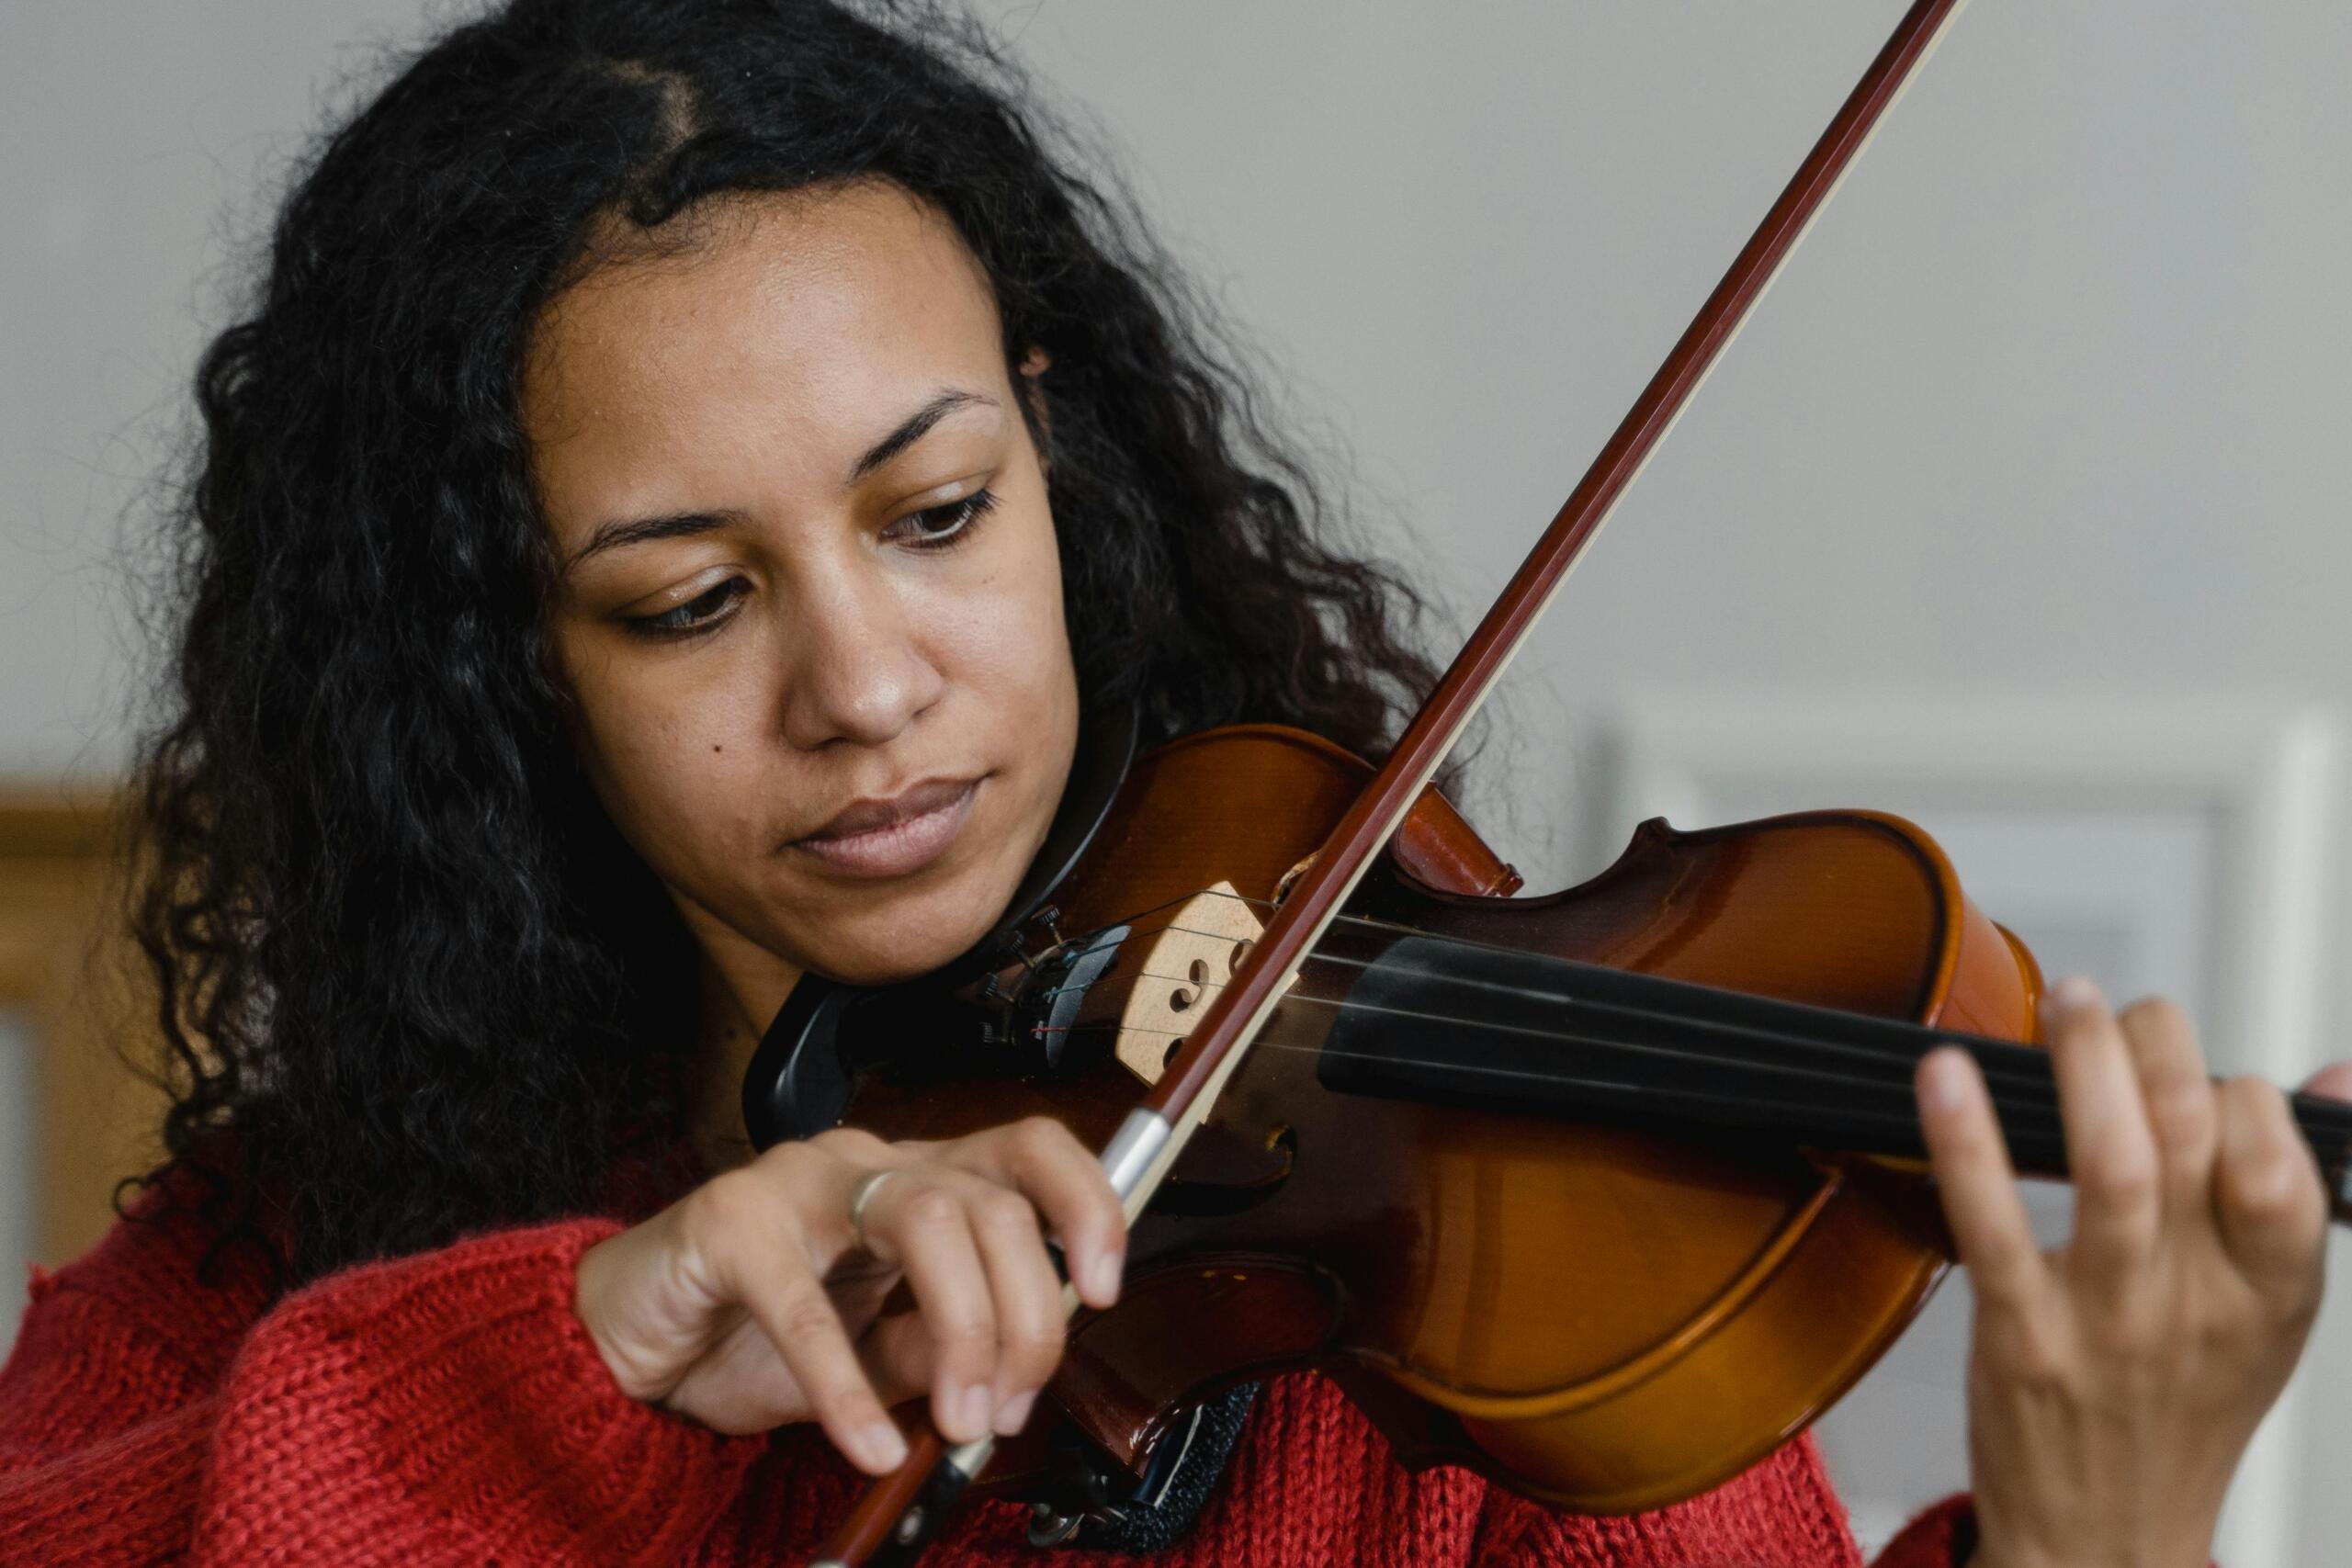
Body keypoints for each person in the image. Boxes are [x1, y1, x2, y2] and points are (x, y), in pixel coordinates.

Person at [3, 2, 2342, 1563]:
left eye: (936, 516)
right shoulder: (259, 1271)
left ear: (1059, 457)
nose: (866, 686)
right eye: (689, 602)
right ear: (496, 668)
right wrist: (581, 1357)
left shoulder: (1452, 1263)